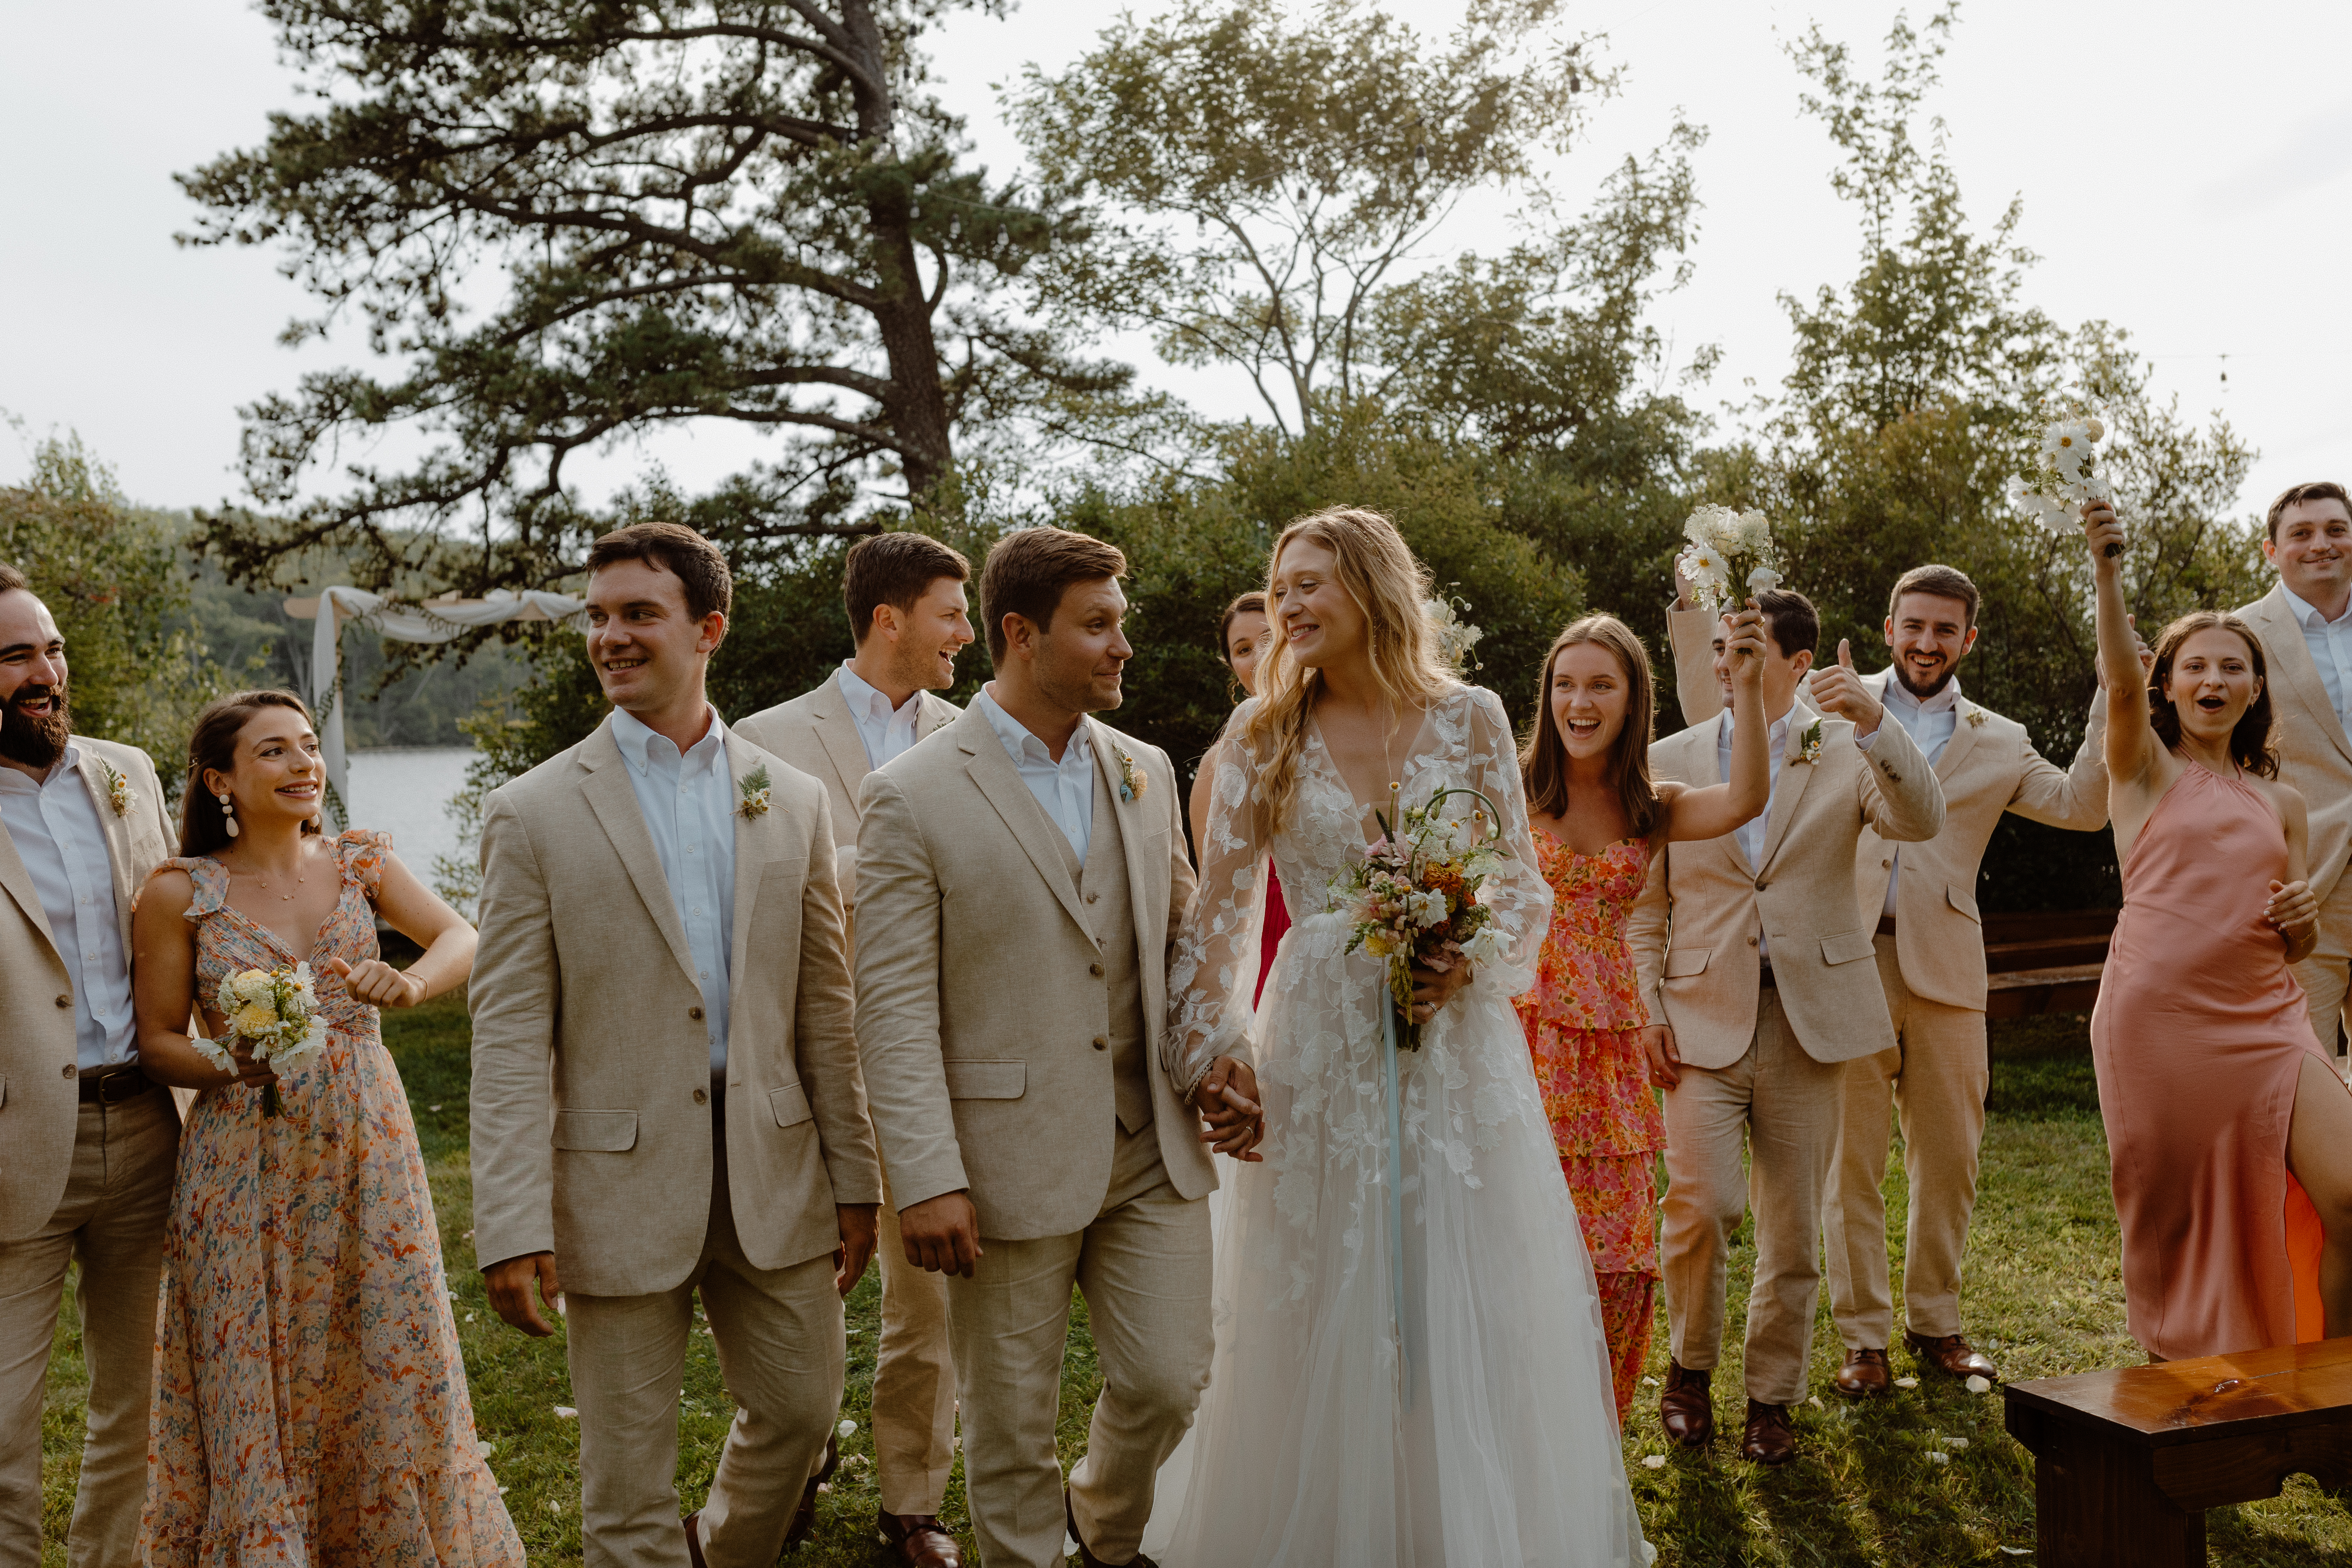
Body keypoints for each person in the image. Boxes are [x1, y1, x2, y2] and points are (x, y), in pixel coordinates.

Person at [1163, 508, 1648, 1566]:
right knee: (1321, 1279)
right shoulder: (1260, 735)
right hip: (1318, 1043)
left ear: (1372, 588)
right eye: (1278, 584)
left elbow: (1519, 884)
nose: (1287, 604)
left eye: (1309, 583)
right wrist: (1214, 1052)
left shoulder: (1468, 715)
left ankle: (1458, 1525)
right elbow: (1219, 911)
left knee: (1458, 1273)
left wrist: (1462, 954)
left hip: (1457, 1049)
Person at [469, 522, 881, 1567]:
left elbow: (824, 1004)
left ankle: (715, 1550)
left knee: (801, 1411)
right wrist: (511, 1218)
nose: (609, 635)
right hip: (614, 1178)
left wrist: (856, 1174)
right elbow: (510, 1030)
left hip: (775, 1168)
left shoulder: (792, 799)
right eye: (597, 616)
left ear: (708, 627)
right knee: (624, 1480)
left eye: (636, 613)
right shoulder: (532, 812)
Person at [855, 526, 1226, 1568]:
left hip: (1146, 1134)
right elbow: (888, 1004)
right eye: (1098, 626)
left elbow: (1183, 935)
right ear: (1021, 634)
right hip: (996, 1157)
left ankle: (1102, 1533)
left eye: (1123, 624)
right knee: (1009, 1422)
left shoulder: (1144, 767)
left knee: (1170, 1375)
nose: (1122, 647)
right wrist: (923, 1174)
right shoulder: (911, 793)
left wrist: (1219, 1053)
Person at [1664, 566, 2115, 1394]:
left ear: (1968, 640)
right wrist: (1696, 608)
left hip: (1945, 967)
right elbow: (1712, 721)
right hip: (1835, 965)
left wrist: (2114, 692)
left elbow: (2085, 806)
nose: (1927, 641)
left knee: (1950, 1160)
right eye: (1915, 625)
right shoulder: (1815, 702)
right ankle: (1862, 1339)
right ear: (1888, 626)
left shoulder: (2002, 737)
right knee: (1848, 1167)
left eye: (1946, 629)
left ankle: (1937, 1322)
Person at [128, 689, 521, 1563]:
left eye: (309, 747)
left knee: (384, 1345)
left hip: (369, 1144)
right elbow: (157, 1043)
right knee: (250, 1369)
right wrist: (234, 1061)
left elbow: (462, 933)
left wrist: (411, 984)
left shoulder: (360, 863)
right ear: (218, 778)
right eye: (274, 752)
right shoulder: (180, 891)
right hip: (243, 1159)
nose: (305, 764)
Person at [1627, 591, 1945, 1465]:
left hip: (1811, 1017)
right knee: (1703, 1205)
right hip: (1698, 1016)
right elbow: (1644, 910)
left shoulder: (1846, 747)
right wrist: (1647, 1008)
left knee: (1795, 1229)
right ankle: (1689, 1372)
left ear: (1800, 664)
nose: (1730, 661)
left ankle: (1772, 1397)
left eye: (1750, 647)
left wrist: (1878, 722)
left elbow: (1922, 821)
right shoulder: (1669, 758)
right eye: (1723, 647)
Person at [735, 530, 972, 1568]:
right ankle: (794, 1447)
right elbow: (752, 900)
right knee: (806, 1272)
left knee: (930, 1286)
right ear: (890, 617)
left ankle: (912, 1500)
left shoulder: (978, 736)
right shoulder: (763, 738)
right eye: (950, 611)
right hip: (808, 1049)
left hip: (939, 1048)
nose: (966, 632)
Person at [2082, 499, 2352, 1357]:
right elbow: (2118, 678)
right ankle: (2179, 1380)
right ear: (2168, 686)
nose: (2214, 680)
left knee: (2347, 1195)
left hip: (2271, 1020)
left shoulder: (2286, 801)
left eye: (2233, 667)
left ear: (2257, 685)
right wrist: (2108, 568)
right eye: (2195, 666)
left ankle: (2331, 1396)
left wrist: (2304, 922)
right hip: (2159, 1023)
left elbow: (2294, 942)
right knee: (2177, 1215)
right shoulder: (2142, 772)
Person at [1514, 610, 1770, 1423]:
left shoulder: (1649, 805)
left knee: (1619, 1261)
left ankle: (1589, 1433)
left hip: (1613, 1050)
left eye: (1601, 685)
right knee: (1518, 1251)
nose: (1579, 702)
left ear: (1633, 701)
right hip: (1523, 1040)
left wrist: (1752, 688)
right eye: (1565, 684)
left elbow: (1747, 798)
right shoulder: (1510, 787)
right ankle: (1515, 1426)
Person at [0, 564, 181, 1568]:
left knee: (141, 1413)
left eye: (54, 648)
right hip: (16, 1146)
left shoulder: (127, 772)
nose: (46, 673)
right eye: (17, 656)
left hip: (150, 1131)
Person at [2233, 482, 2352, 1063]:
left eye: (2336, 530)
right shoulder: (2235, 637)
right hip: (2300, 885)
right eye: (2301, 534)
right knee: (2300, 1072)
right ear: (2271, 551)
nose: (2321, 545)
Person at [1187, 593, 1286, 1008]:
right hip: (1265, 945)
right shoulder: (1220, 763)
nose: (1258, 655)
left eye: (1269, 638)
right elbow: (1215, 894)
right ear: (1234, 670)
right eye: (1243, 650)